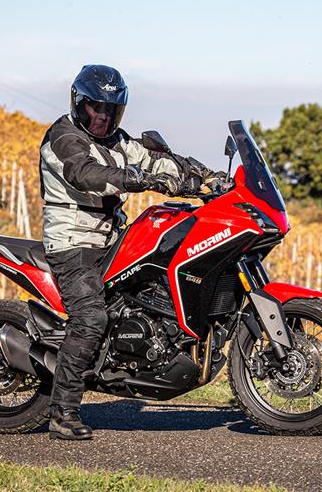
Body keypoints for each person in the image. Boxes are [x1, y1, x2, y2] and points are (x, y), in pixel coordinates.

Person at [39, 64, 216, 440]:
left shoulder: (118, 140)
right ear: (79, 103)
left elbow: (154, 160)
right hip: (73, 244)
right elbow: (85, 174)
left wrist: (206, 177)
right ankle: (63, 413)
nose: (103, 116)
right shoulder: (64, 137)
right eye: (96, 108)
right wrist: (139, 180)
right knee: (90, 318)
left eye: (110, 109)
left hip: (110, 239)